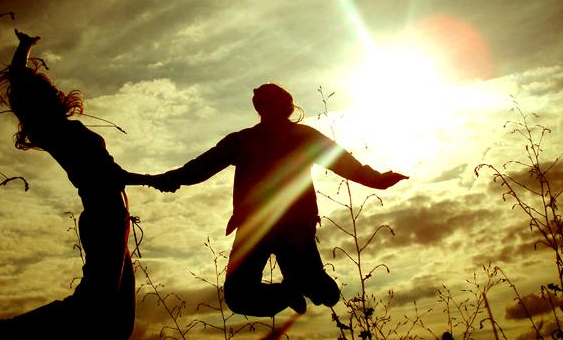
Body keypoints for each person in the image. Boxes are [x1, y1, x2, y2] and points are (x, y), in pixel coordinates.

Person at [0, 30, 152, 340]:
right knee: (95, 306)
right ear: (39, 102)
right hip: (104, 219)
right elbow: (109, 175)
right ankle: (1, 334)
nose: (52, 88)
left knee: (117, 324)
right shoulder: (55, 130)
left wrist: (25, 47)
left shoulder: (58, 129)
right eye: (43, 89)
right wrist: (154, 179)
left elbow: (110, 173)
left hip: (112, 221)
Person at [148, 83, 407, 317]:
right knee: (239, 297)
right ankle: (299, 288)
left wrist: (377, 180)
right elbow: (200, 168)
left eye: (269, 103)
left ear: (283, 107)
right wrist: (168, 179)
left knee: (319, 294)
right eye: (263, 104)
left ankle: (312, 285)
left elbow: (343, 163)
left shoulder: (300, 137)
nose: (266, 108)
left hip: (291, 227)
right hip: (258, 227)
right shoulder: (243, 140)